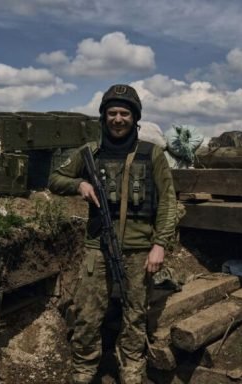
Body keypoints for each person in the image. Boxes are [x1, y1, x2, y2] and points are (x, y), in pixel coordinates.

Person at [49, 84, 178, 384]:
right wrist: (78, 185)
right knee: (88, 313)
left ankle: (131, 365)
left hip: (139, 249)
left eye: (124, 113)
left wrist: (159, 244)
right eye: (112, 113)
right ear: (104, 117)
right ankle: (84, 368)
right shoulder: (89, 153)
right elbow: (55, 178)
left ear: (134, 118)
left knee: (135, 313)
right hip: (98, 247)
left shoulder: (152, 154)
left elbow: (169, 202)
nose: (118, 119)